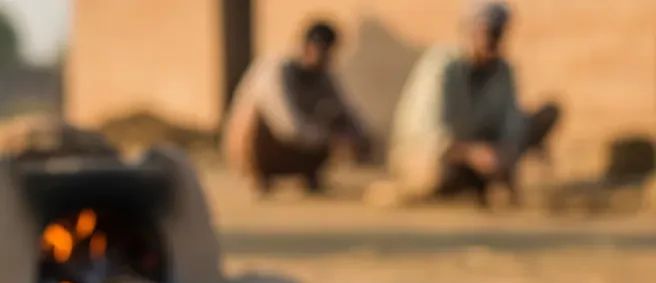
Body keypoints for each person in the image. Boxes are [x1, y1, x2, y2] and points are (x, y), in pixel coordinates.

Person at [385, 0, 561, 206]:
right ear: (469, 30)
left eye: (498, 33)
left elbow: (511, 125)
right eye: (488, 32)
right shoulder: (443, 67)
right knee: (435, 171)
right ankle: (410, 189)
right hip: (435, 155)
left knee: (547, 114)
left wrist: (505, 153)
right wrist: (472, 154)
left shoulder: (502, 71)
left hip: (482, 154)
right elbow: (430, 135)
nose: (492, 40)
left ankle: (485, 184)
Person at [223, 20, 371, 195]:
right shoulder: (276, 69)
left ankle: (309, 174)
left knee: (331, 115)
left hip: (296, 144)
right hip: (259, 145)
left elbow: (344, 109)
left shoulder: (321, 74)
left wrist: (358, 137)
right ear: (308, 46)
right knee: (256, 118)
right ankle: (258, 176)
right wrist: (330, 139)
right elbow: (286, 123)